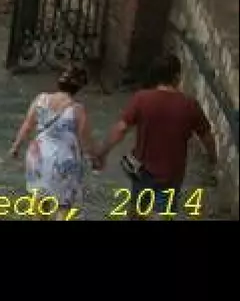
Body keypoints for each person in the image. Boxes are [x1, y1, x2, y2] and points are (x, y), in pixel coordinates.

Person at [93, 52, 218, 217]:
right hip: (172, 174)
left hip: (142, 170)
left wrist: (102, 153)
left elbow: (121, 129)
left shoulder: (142, 99)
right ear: (177, 76)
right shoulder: (190, 105)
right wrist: (212, 160)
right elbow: (207, 137)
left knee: (137, 213)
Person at [9, 63, 97, 216]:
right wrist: (95, 158)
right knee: (63, 204)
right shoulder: (77, 109)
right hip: (64, 159)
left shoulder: (40, 99)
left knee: (39, 200)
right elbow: (85, 139)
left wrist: (16, 147)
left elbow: (27, 125)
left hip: (38, 156)